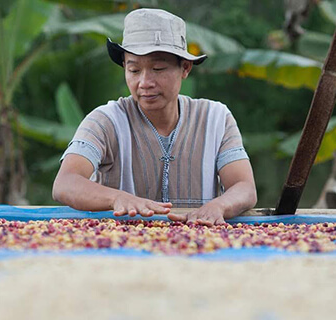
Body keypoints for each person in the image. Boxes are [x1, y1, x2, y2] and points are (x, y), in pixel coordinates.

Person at [53, 8, 257, 225]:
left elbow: (244, 187)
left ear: (185, 68)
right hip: (121, 250)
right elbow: (65, 183)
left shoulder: (216, 119)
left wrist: (219, 206)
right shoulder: (105, 121)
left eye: (158, 68)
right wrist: (117, 198)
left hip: (198, 249)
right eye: (134, 70)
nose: (144, 82)